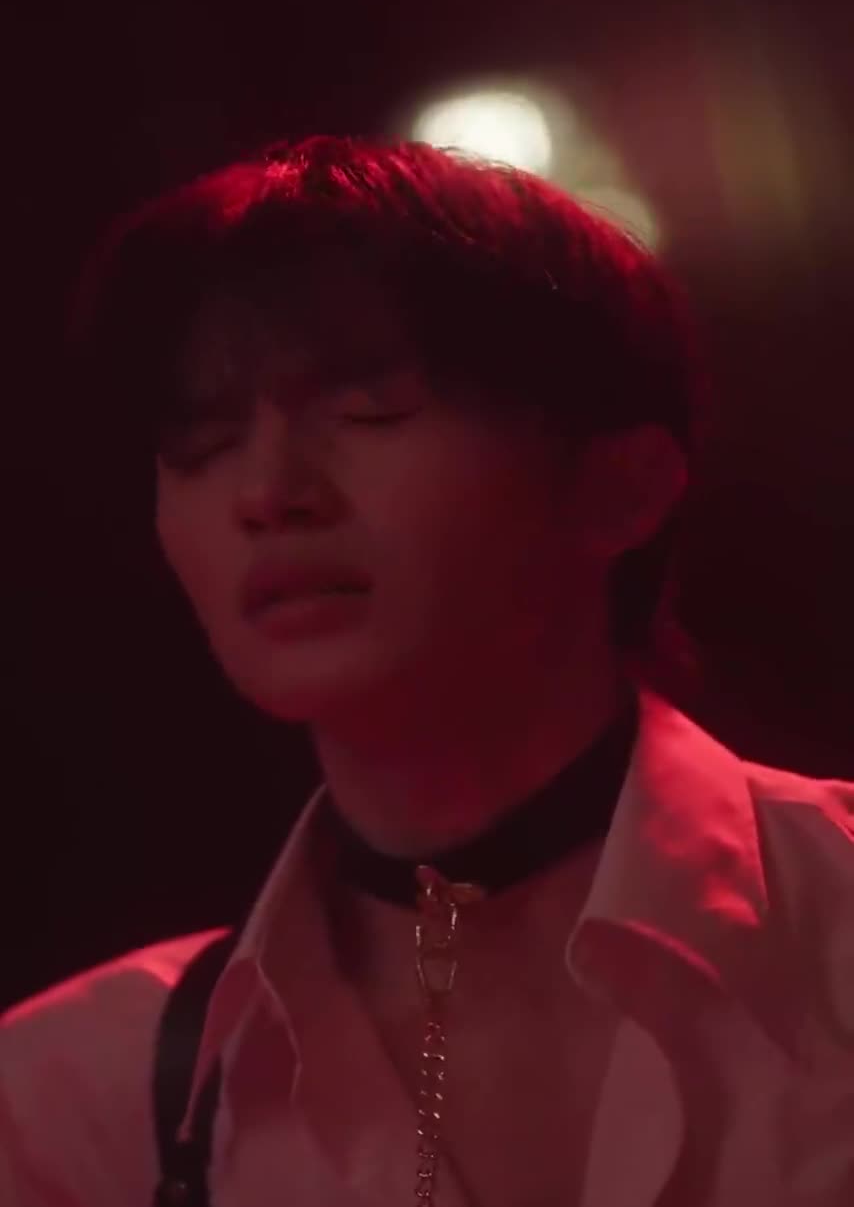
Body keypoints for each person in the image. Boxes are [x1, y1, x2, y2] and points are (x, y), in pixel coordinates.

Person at [2, 135, 854, 1207]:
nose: (266, 493)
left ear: (622, 488)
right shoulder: (75, 1101)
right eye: (201, 444)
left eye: (374, 410)